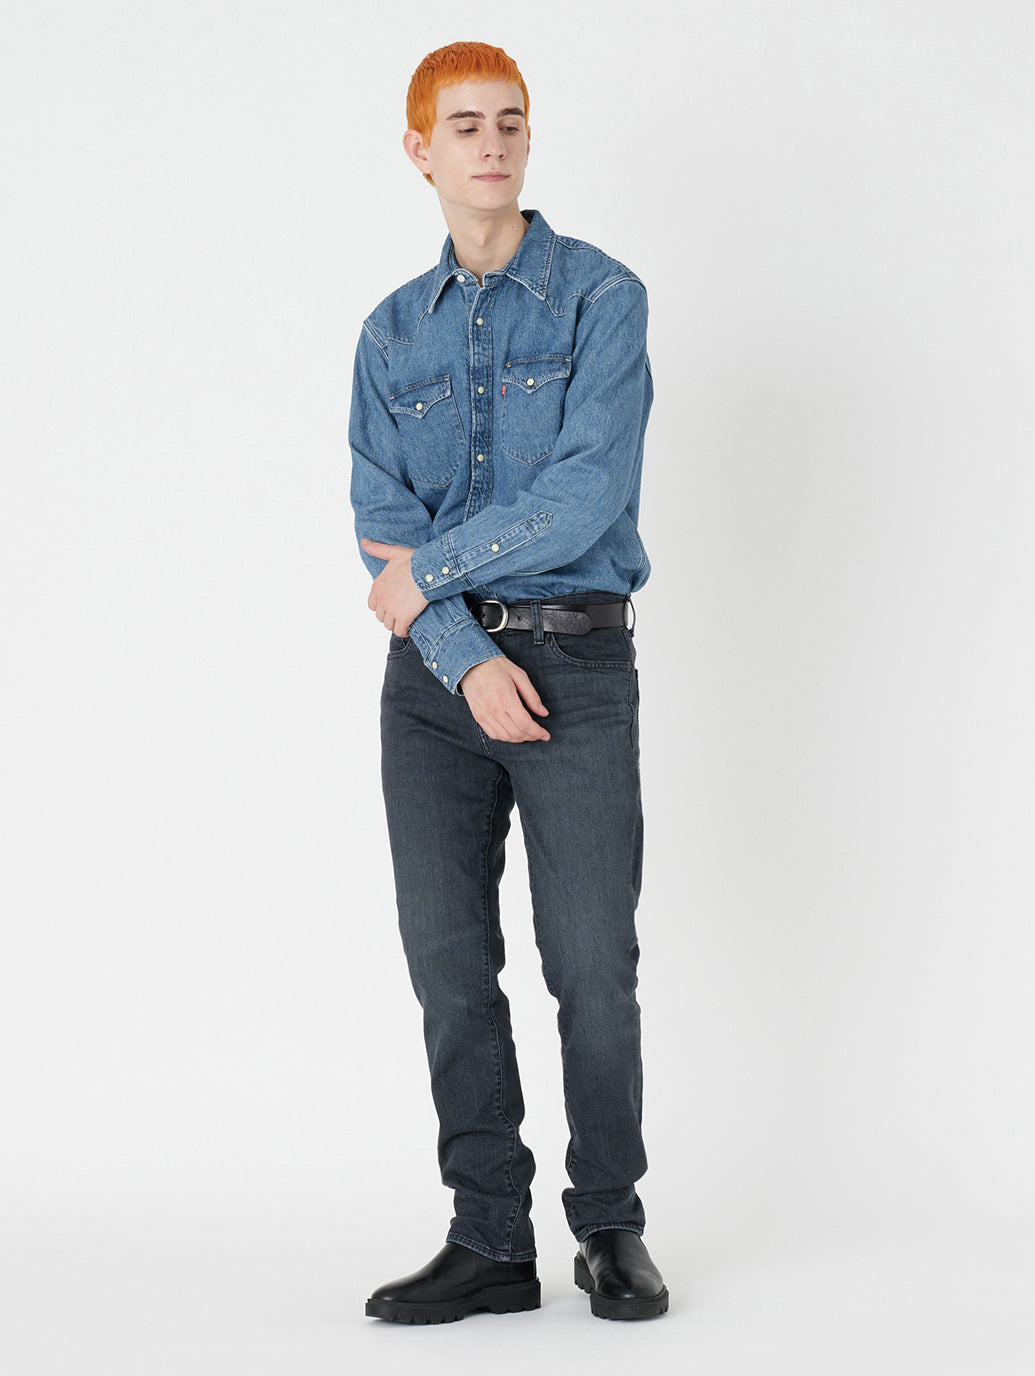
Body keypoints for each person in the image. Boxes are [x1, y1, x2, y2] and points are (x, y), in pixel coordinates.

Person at [350, 41, 668, 1324]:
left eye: (511, 122)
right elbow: (377, 521)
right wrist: (466, 654)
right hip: (434, 688)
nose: (492, 144)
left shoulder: (601, 298)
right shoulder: (389, 333)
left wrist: (432, 573)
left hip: (577, 663)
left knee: (591, 960)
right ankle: (488, 1234)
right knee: (448, 962)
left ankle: (609, 1224)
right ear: (419, 149)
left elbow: (584, 494)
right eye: (465, 125)